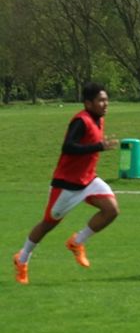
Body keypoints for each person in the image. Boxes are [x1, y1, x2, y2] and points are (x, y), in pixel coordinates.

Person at [12, 82, 120, 285]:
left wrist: (98, 146)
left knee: (111, 210)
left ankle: (77, 242)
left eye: (106, 99)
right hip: (67, 184)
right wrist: (99, 146)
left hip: (88, 179)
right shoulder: (81, 121)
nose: (106, 104)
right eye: (101, 100)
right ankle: (22, 258)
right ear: (88, 103)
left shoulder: (99, 119)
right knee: (47, 225)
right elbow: (68, 147)